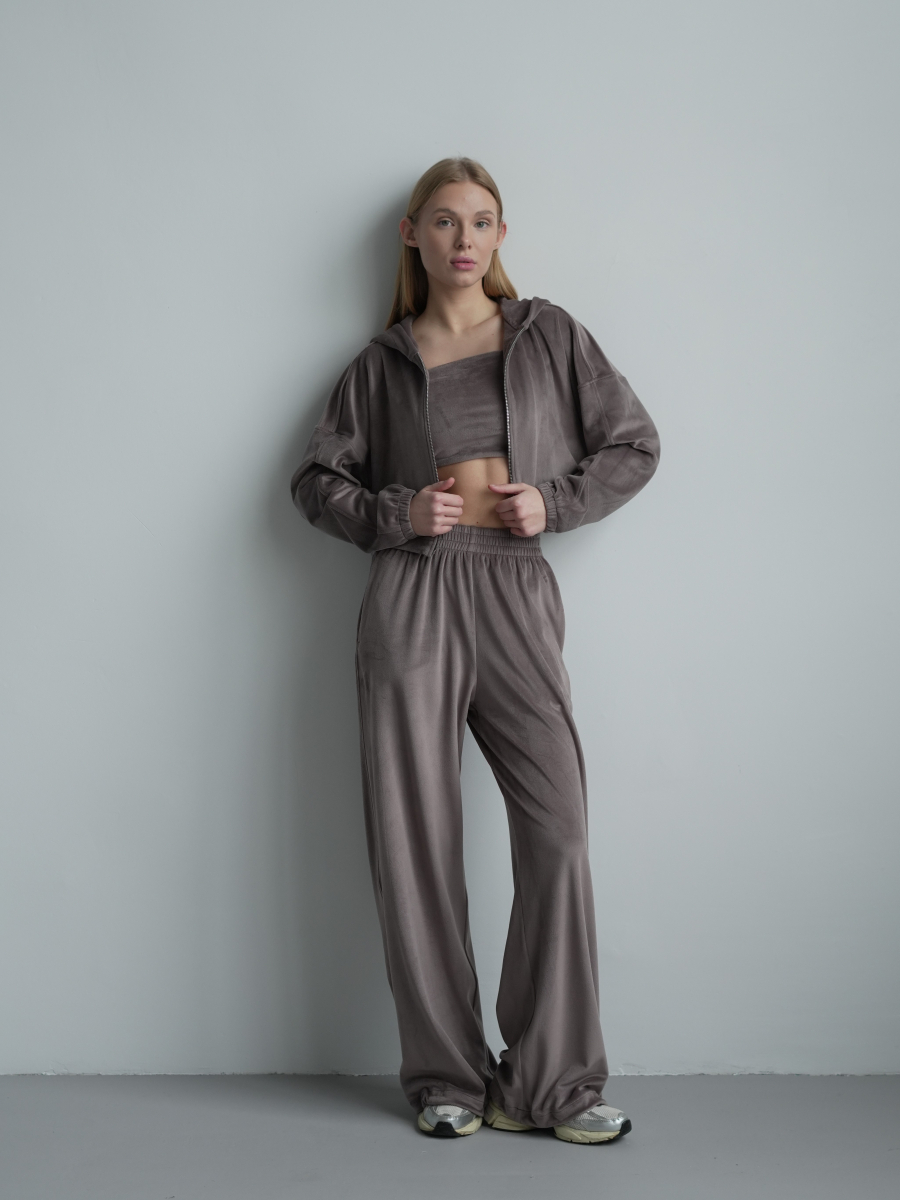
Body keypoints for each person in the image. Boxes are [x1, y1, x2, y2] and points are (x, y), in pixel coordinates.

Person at [290, 157, 659, 1144]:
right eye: (446, 221)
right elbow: (314, 482)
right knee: (414, 841)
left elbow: (633, 444)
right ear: (413, 234)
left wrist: (558, 501)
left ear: (501, 236)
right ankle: (447, 1078)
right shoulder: (380, 362)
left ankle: (551, 1086)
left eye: (483, 220)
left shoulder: (549, 334)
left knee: (558, 830)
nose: (465, 239)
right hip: (411, 590)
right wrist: (394, 512)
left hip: (515, 587)